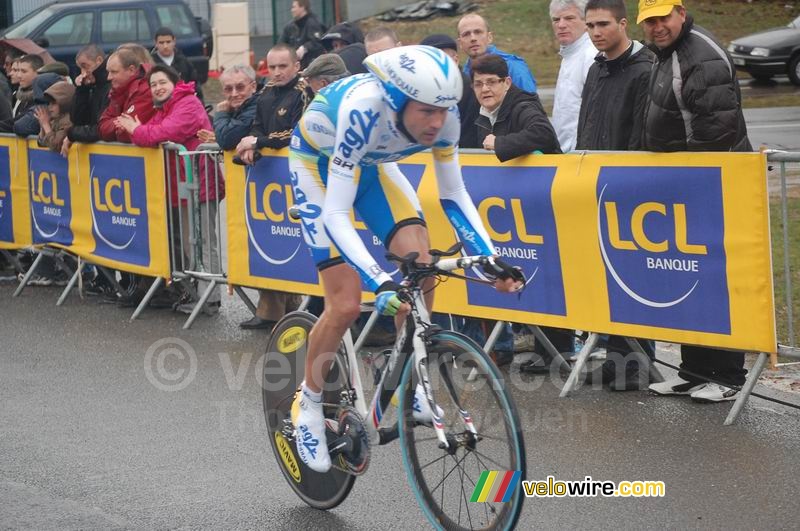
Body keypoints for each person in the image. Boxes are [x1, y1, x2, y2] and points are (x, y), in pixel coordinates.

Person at [288, 45, 524, 472]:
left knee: (422, 264)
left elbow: (454, 194)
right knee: (343, 303)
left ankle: (406, 372)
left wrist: (489, 258)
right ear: (396, 102)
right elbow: (338, 214)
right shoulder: (362, 112)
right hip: (318, 170)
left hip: (375, 169)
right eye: (426, 112)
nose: (437, 122)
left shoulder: (445, 117)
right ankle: (308, 401)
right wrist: (379, 279)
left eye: (443, 111)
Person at [640, 0, 750, 401]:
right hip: (682, 188)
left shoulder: (701, 54)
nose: (656, 26)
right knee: (688, 277)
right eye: (649, 21)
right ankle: (694, 369)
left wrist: (687, 181)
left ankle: (727, 377)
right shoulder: (666, 53)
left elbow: (718, 129)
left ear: (681, 13)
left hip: (711, 186)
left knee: (715, 280)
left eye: (662, 18)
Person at [575, 0, 656, 390]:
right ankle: (613, 356)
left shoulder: (644, 68)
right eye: (590, 25)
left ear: (623, 24)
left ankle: (638, 362)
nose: (595, 32)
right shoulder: (596, 68)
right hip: (594, 184)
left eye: (603, 24)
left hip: (628, 188)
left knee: (632, 275)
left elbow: (641, 132)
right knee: (604, 276)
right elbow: (586, 125)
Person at [116, 64, 225, 315]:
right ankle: (198, 294)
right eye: (153, 84)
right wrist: (138, 130)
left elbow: (163, 133)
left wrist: (137, 130)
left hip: (199, 183)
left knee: (203, 242)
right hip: (182, 186)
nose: (157, 88)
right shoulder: (164, 108)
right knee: (189, 244)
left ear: (175, 82)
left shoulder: (187, 103)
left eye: (162, 82)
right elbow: (149, 134)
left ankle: (210, 298)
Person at [234, 44, 312, 330]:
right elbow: (257, 126)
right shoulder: (266, 92)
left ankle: (302, 308)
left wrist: (260, 142)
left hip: (300, 182)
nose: (277, 72)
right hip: (270, 181)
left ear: (295, 66)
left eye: (283, 67)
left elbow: (296, 133)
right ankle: (270, 310)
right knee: (270, 242)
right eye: (272, 67)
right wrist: (252, 144)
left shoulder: (304, 91)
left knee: (299, 245)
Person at [472, 54, 560, 161]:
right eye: (478, 84)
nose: (484, 89)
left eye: (492, 82)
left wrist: (499, 143)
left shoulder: (523, 107)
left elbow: (545, 134)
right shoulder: (483, 114)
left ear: (507, 83)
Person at [550, 0, 597, 152]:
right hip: (565, 154)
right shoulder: (569, 55)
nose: (561, 25)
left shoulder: (591, 55)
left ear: (586, 22)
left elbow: (594, 114)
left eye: (569, 18)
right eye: (556, 19)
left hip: (580, 157)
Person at [420, 33, 480, 149]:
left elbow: (469, 134)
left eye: (441, 60)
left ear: (456, 60)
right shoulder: (418, 90)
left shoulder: (470, 89)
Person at [457, 13, 537, 94]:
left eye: (478, 32)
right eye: (466, 34)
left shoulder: (514, 67)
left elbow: (530, 103)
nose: (473, 38)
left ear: (489, 37)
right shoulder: (463, 73)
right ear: (460, 43)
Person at [98, 49, 156, 143]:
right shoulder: (118, 91)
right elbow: (101, 128)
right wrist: (120, 122)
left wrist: (116, 123)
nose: (109, 77)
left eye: (114, 72)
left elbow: (125, 133)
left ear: (131, 70)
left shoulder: (146, 89)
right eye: (108, 72)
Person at [200, 64, 259, 149]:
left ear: (253, 87)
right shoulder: (236, 109)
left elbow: (227, 140)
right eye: (228, 89)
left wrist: (221, 114)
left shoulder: (256, 107)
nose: (234, 94)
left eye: (240, 87)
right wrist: (218, 138)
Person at [65, 44, 111, 151]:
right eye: (80, 68)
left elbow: (100, 127)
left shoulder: (109, 87)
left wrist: (72, 133)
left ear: (99, 61)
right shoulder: (93, 86)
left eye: (85, 66)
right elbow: (78, 120)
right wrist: (82, 90)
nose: (83, 72)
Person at [151, 27, 202, 101]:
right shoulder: (151, 63)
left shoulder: (183, 61)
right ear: (156, 43)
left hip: (183, 103)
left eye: (168, 42)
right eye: (161, 43)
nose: (165, 46)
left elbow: (195, 85)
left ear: (174, 41)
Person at [279, 0, 327, 70]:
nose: (292, 10)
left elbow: (317, 41)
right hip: (294, 66)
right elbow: (281, 44)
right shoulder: (290, 27)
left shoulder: (313, 23)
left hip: (311, 66)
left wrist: (304, 48)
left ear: (302, 7)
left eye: (294, 7)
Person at [35, 81, 75, 152]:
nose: (49, 107)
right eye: (48, 103)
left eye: (53, 104)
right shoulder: (56, 119)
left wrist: (46, 125)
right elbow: (42, 143)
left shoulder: (68, 120)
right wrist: (43, 126)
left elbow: (56, 145)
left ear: (64, 102)